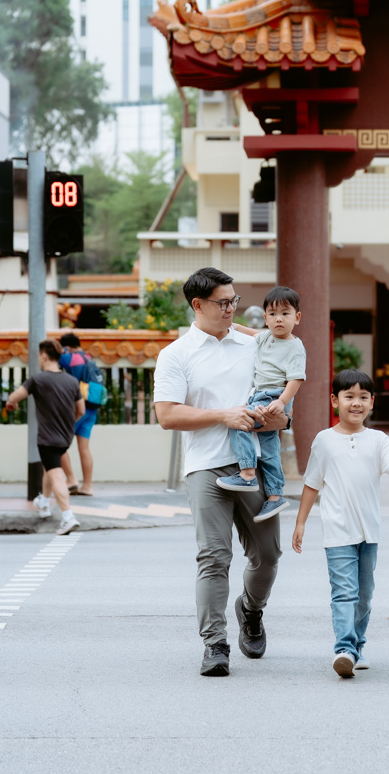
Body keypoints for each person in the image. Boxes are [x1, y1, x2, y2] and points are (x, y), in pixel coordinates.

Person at [153, 267, 289, 677]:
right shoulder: (176, 354)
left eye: (234, 301)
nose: (233, 309)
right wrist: (223, 416)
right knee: (214, 557)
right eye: (223, 303)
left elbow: (282, 405)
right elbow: (167, 415)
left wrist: (278, 417)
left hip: (257, 467)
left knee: (267, 555)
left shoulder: (255, 346)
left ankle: (250, 609)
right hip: (205, 469)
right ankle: (215, 643)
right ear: (198, 305)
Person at [292, 370, 389, 678]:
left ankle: (357, 646)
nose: (356, 403)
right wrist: (301, 523)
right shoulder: (324, 441)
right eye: (349, 396)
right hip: (337, 531)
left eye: (363, 397)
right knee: (344, 592)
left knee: (364, 595)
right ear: (335, 401)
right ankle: (344, 649)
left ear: (372, 402)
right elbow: (312, 483)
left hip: (369, 532)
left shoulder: (378, 439)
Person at [216, 286, 306, 523]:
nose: (279, 319)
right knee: (268, 449)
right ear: (265, 318)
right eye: (273, 314)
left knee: (238, 421)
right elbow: (247, 331)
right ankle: (276, 496)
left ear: (296, 318)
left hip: (273, 396)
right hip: (262, 396)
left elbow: (296, 379)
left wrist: (281, 402)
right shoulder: (265, 336)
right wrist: (228, 326)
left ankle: (247, 473)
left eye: (285, 314)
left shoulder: (295, 346)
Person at [5, 339, 85, 536]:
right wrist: (67, 424)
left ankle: (68, 517)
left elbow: (14, 397)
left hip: (47, 438)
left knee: (56, 474)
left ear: (44, 356)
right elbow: (81, 411)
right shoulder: (71, 381)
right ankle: (44, 503)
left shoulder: (38, 380)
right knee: (49, 468)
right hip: (65, 437)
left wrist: (10, 404)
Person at [58, 332, 96, 496]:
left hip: (76, 408)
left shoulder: (68, 358)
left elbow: (51, 365)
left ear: (66, 346)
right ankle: (87, 486)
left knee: (58, 444)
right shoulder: (90, 358)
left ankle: (71, 479)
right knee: (84, 448)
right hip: (92, 408)